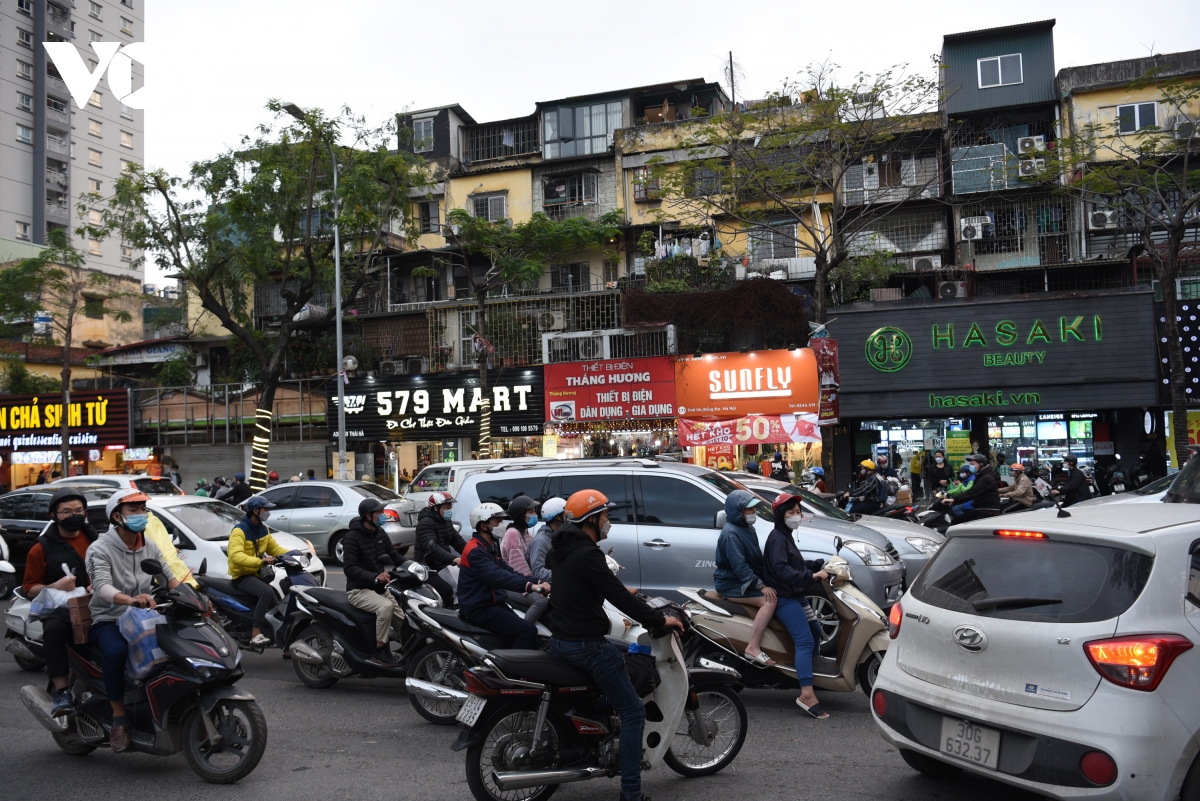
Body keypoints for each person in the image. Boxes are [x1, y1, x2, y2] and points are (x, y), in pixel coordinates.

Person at [546, 489, 683, 801]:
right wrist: (658, 621)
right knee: (634, 711)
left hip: (561, 640)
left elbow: (596, 589)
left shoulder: (562, 549)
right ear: (592, 519)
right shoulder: (587, 554)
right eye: (605, 515)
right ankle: (631, 793)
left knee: (625, 652)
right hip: (585, 646)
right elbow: (617, 596)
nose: (608, 520)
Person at [86, 489, 179, 752]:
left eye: (143, 509)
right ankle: (118, 717)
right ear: (117, 516)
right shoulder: (99, 549)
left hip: (144, 616)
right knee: (116, 652)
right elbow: (101, 586)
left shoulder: (149, 544)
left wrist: (194, 597)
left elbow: (168, 576)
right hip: (108, 618)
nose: (142, 515)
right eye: (134, 510)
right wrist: (129, 600)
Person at [22, 488, 98, 718]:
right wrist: (55, 586)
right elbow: (29, 588)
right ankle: (61, 691)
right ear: (53, 515)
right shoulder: (40, 549)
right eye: (66, 512)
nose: (73, 515)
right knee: (54, 630)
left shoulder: (96, 539)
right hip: (60, 609)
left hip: (96, 604)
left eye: (78, 510)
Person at [764, 493, 830, 719]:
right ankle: (807, 694)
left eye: (797, 512)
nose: (795, 515)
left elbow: (797, 563)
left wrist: (822, 564)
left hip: (796, 594)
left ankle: (809, 674)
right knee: (805, 640)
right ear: (780, 515)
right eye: (790, 512)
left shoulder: (786, 535)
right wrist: (811, 577)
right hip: (785, 597)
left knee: (815, 630)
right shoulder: (777, 539)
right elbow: (782, 570)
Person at [458, 503, 549, 650]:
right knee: (527, 631)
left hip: (493, 603)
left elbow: (509, 571)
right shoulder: (475, 551)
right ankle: (514, 672)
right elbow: (498, 576)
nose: (502, 525)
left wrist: (538, 581)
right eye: (497, 521)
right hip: (479, 608)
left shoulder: (489, 547)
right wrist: (530, 587)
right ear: (483, 525)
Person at [713, 490, 776, 665]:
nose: (753, 513)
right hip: (731, 583)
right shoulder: (731, 534)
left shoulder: (747, 527)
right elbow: (740, 568)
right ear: (737, 511)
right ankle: (753, 647)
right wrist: (762, 587)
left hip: (744, 579)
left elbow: (755, 558)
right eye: (749, 510)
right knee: (769, 601)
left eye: (754, 509)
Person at [343, 498, 405, 664]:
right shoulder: (352, 538)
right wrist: (374, 577)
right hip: (359, 590)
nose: (383, 515)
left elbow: (394, 556)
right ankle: (380, 651)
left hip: (379, 589)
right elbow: (349, 568)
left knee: (404, 620)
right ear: (368, 516)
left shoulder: (380, 533)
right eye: (379, 513)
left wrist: (413, 567)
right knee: (386, 607)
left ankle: (410, 649)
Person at [226, 496, 289, 646]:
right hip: (242, 576)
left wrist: (294, 554)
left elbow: (274, 549)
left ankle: (283, 642)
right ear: (256, 511)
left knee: (276, 604)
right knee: (266, 592)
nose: (268, 512)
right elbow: (235, 556)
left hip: (256, 575)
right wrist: (260, 562)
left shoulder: (263, 529)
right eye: (265, 509)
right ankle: (256, 633)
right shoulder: (239, 531)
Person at [498, 495, 549, 625]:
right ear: (521, 515)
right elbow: (519, 568)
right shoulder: (513, 534)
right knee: (541, 601)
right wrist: (536, 585)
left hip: (524, 580)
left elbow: (532, 562)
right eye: (531, 512)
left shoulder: (525, 533)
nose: (534, 515)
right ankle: (525, 628)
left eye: (534, 511)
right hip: (512, 584)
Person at [414, 491, 467, 608]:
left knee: (467, 583)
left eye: (450, 507)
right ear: (436, 508)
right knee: (446, 590)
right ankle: (447, 615)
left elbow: (457, 541)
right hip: (427, 567)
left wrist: (473, 552)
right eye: (446, 507)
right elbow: (434, 549)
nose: (449, 510)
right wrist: (454, 559)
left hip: (443, 565)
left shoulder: (445, 521)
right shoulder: (425, 524)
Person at [947, 453, 1001, 524]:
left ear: (981, 464)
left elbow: (973, 492)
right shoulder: (980, 476)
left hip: (988, 510)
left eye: (973, 464)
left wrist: (954, 500)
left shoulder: (987, 478)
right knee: (957, 521)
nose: (971, 466)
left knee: (958, 522)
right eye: (970, 464)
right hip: (980, 508)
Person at [527, 496, 565, 584]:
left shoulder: (557, 536)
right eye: (565, 514)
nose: (568, 517)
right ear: (557, 517)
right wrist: (565, 575)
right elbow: (538, 572)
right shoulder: (541, 541)